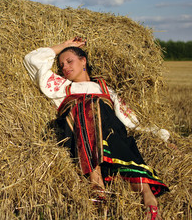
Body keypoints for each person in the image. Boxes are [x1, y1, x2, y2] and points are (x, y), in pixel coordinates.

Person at [24, 37, 170, 220]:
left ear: (83, 60)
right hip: (77, 133)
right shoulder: (62, 87)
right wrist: (64, 46)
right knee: (85, 106)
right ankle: (96, 183)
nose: (65, 67)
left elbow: (130, 120)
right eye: (61, 65)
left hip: (110, 135)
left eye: (70, 61)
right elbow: (31, 59)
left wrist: (157, 134)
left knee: (123, 141)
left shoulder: (106, 89)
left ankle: (148, 199)